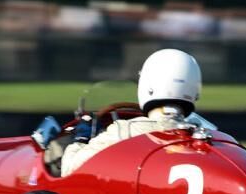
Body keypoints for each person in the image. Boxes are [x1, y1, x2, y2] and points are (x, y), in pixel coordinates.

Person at [61, 48, 201, 176]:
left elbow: (69, 169)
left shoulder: (124, 131)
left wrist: (81, 139)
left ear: (147, 84)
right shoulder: (202, 133)